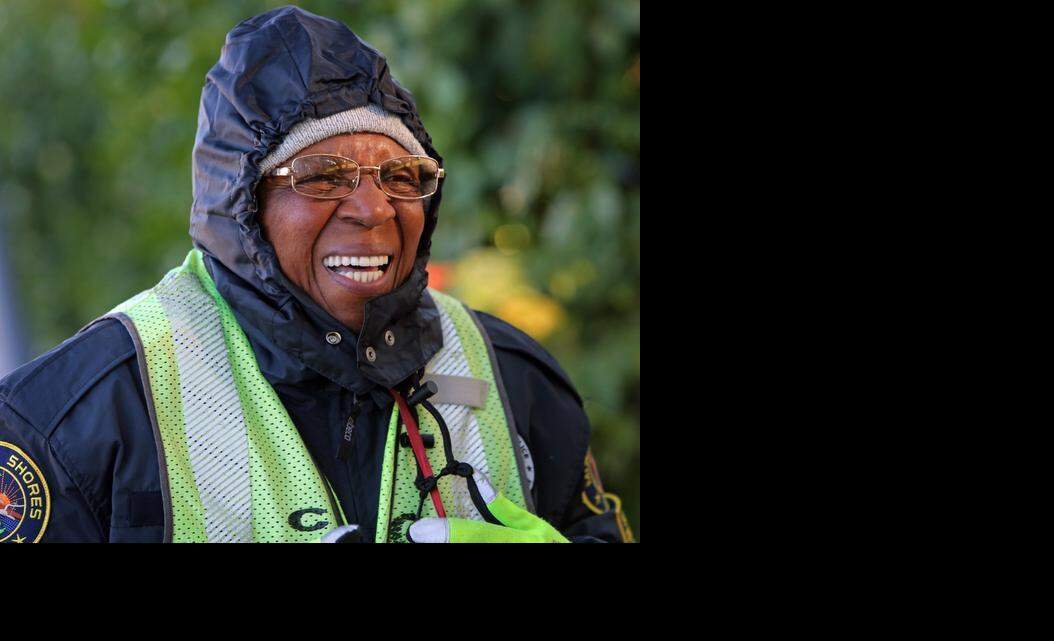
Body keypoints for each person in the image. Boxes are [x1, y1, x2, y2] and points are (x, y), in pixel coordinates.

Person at [0, 6, 632, 544]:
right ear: (242, 208)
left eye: (401, 176)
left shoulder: (514, 376)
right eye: (322, 175)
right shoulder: (77, 417)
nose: (375, 208)